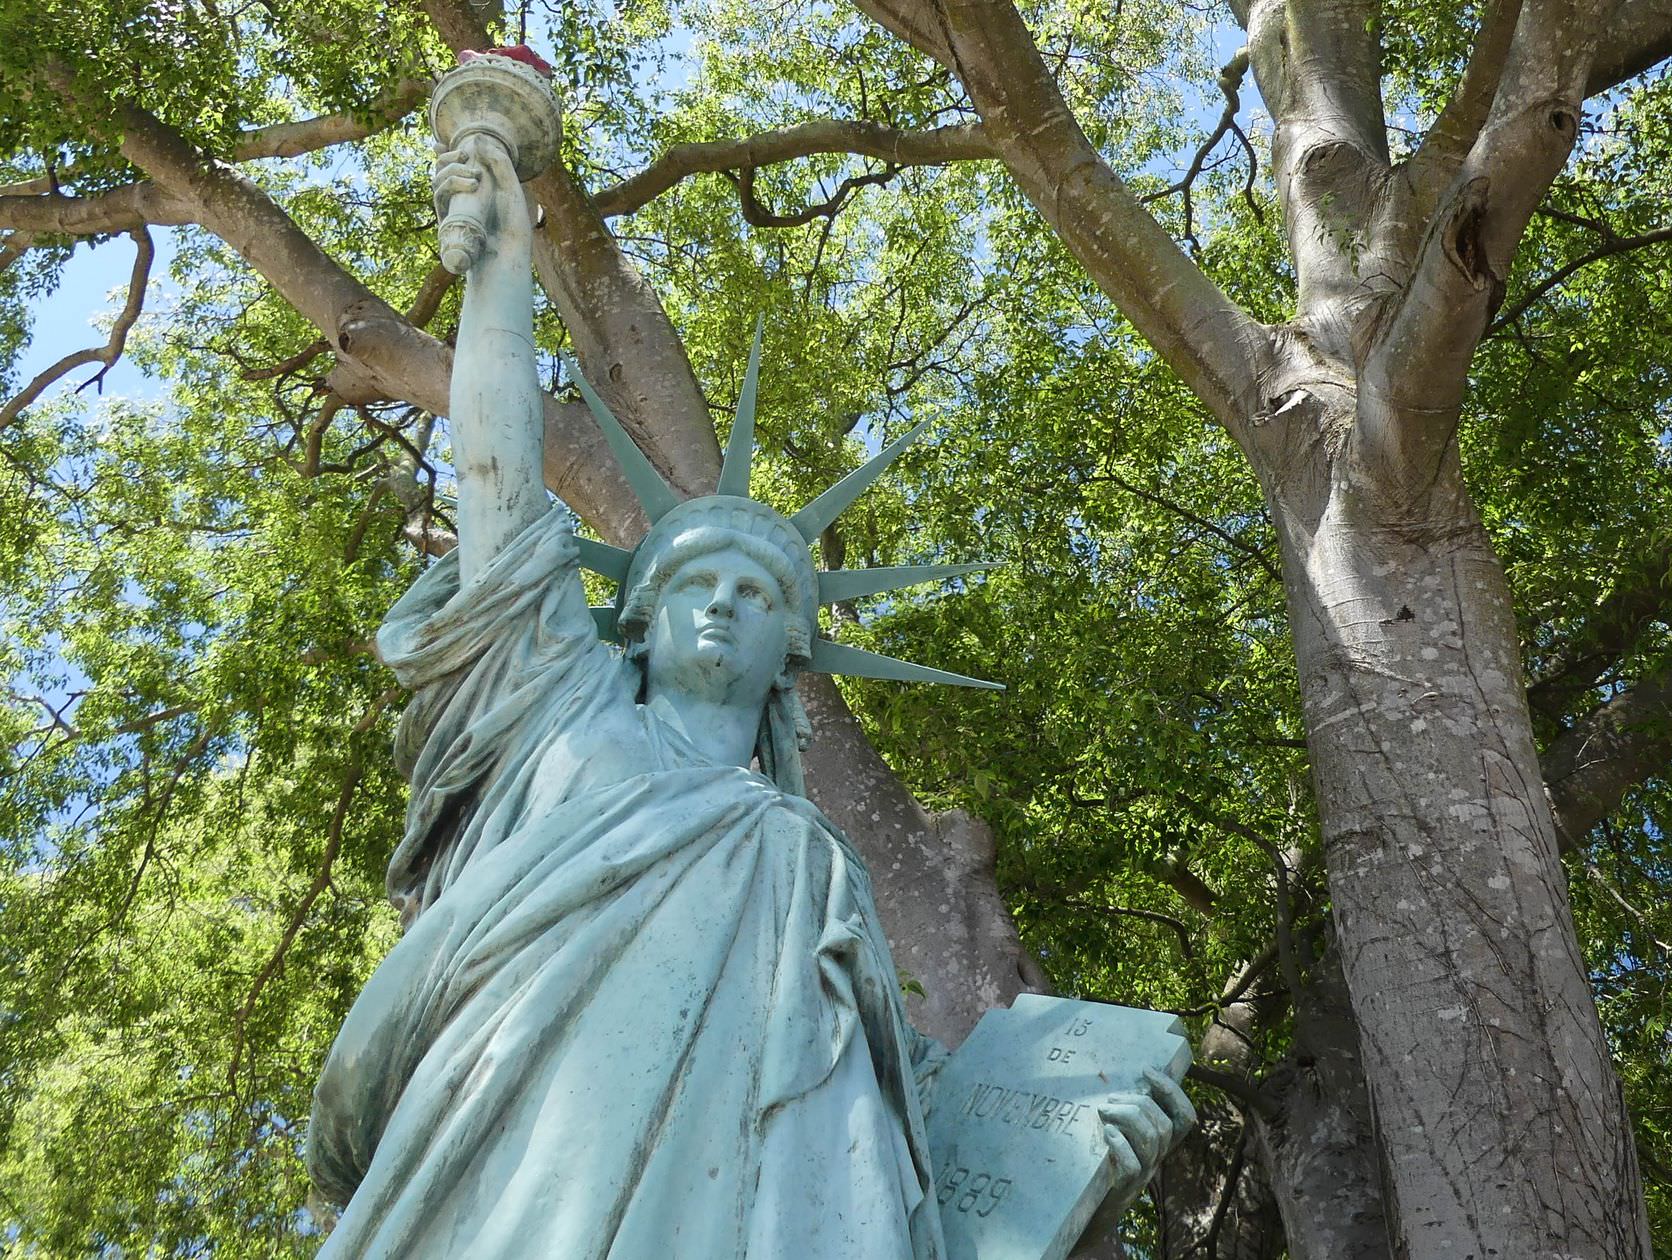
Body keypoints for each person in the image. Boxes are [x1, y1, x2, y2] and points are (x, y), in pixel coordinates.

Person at [304, 119, 1189, 1259]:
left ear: (792, 655)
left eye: (758, 596)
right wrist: (502, 267)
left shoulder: (817, 867)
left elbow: (907, 1140)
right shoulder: (563, 706)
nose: (721, 604)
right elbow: (493, 470)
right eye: (691, 582)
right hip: (523, 1162)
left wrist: (1085, 1134)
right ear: (635, 616)